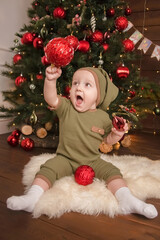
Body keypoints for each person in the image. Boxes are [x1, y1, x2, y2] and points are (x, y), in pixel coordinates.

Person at [7, 66, 158, 219]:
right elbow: (51, 98)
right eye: (75, 83)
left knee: (112, 171)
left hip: (92, 160)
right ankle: (31, 198)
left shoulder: (103, 118)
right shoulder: (66, 108)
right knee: (48, 168)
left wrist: (117, 133)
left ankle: (127, 199)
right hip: (65, 158)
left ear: (98, 96)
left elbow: (108, 140)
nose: (78, 87)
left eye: (87, 85)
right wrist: (51, 80)